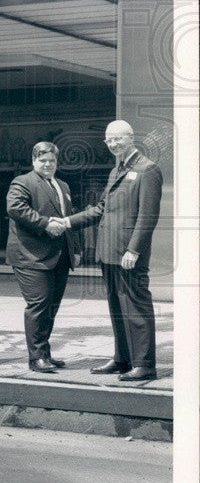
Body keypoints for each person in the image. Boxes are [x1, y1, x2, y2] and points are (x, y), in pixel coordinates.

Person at [62, 120, 163, 381]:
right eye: (109, 140)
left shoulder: (147, 169)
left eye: (118, 139)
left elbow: (148, 215)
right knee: (117, 308)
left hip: (128, 255)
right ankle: (123, 358)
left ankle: (145, 364)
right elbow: (100, 210)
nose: (113, 144)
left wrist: (134, 250)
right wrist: (67, 222)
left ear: (131, 138)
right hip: (108, 253)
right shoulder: (115, 170)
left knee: (136, 308)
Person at [5, 141, 81, 373]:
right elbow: (15, 208)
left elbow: (69, 218)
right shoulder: (23, 182)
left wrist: (75, 249)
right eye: (43, 160)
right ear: (33, 160)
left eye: (52, 161)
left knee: (51, 307)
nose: (48, 165)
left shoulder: (63, 185)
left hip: (60, 256)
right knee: (38, 305)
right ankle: (36, 357)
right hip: (31, 255)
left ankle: (45, 353)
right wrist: (45, 224)